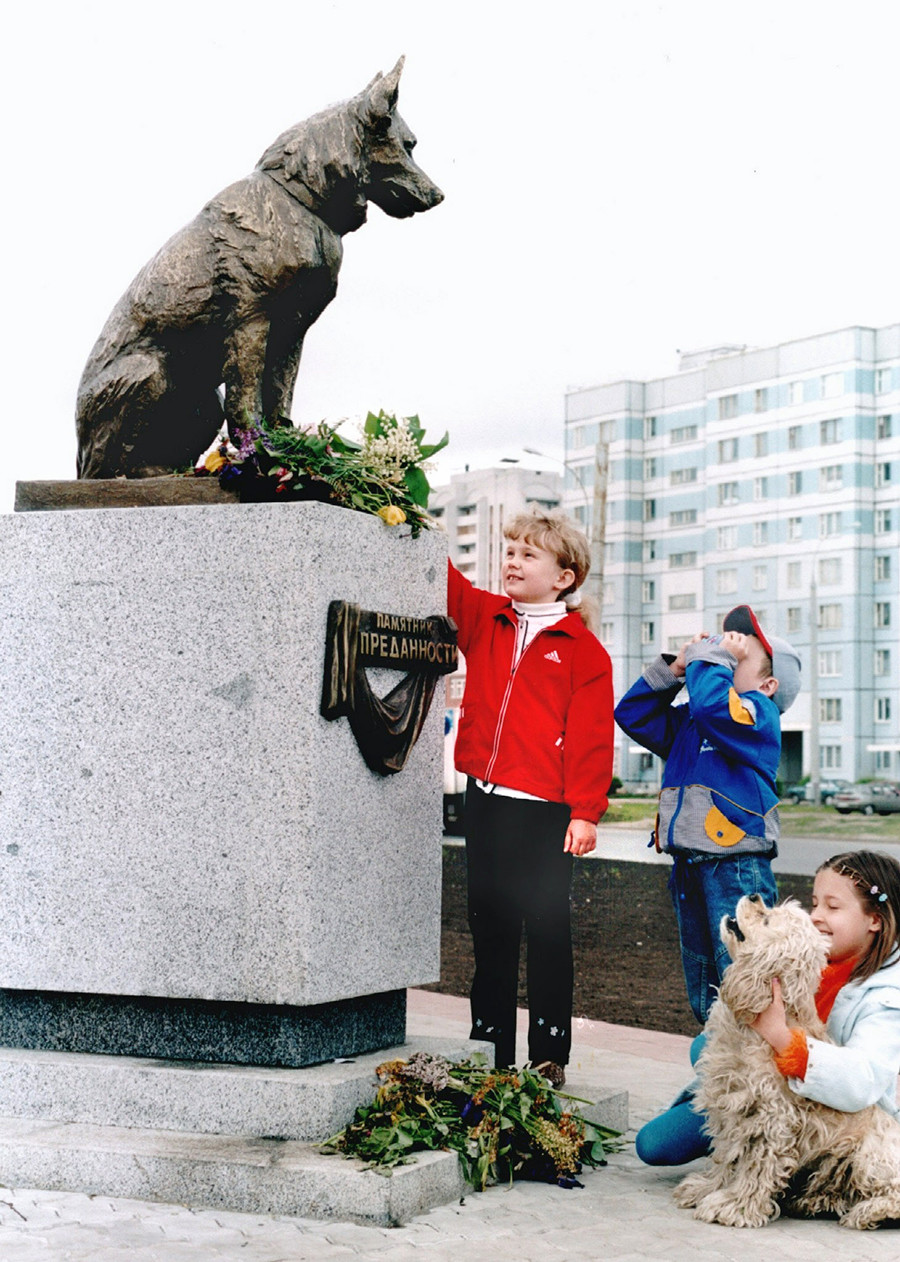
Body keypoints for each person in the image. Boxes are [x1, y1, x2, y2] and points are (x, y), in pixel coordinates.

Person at [448, 510, 613, 1086]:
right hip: (486, 801)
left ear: (564, 577)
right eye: (510, 550)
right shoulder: (486, 618)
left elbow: (592, 739)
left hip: (544, 812)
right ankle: (487, 1044)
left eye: (528, 555)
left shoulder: (584, 652)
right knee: (488, 927)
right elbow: (444, 579)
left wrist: (585, 811)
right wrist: (402, 512)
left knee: (545, 930)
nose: (512, 561)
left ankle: (549, 1055)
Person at [636, 849, 900, 1165]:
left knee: (660, 1140)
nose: (816, 915)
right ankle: (738, 1127)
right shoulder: (804, 958)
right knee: (655, 1139)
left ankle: (765, 1153)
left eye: (833, 907)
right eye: (815, 903)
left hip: (829, 1123)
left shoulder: (887, 997)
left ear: (875, 920)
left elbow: (862, 1081)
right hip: (765, 1090)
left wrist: (782, 1038)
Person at [614, 605, 801, 1024]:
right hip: (690, 863)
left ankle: (758, 1065)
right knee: (704, 983)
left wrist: (712, 660)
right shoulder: (695, 723)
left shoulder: (758, 715)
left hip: (734, 864)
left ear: (768, 684)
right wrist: (676, 668)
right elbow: (632, 714)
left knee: (745, 976)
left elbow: (715, 708)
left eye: (740, 652)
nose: (724, 650)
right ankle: (718, 1059)